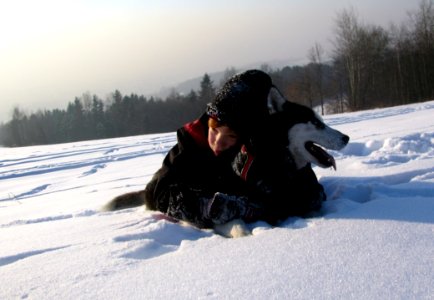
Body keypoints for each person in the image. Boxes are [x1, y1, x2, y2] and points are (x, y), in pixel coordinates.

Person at [142, 70, 273, 228]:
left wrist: (244, 209)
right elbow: (158, 193)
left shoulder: (258, 153)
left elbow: (292, 196)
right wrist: (204, 207)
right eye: (214, 130)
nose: (218, 142)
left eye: (231, 136)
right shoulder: (191, 143)